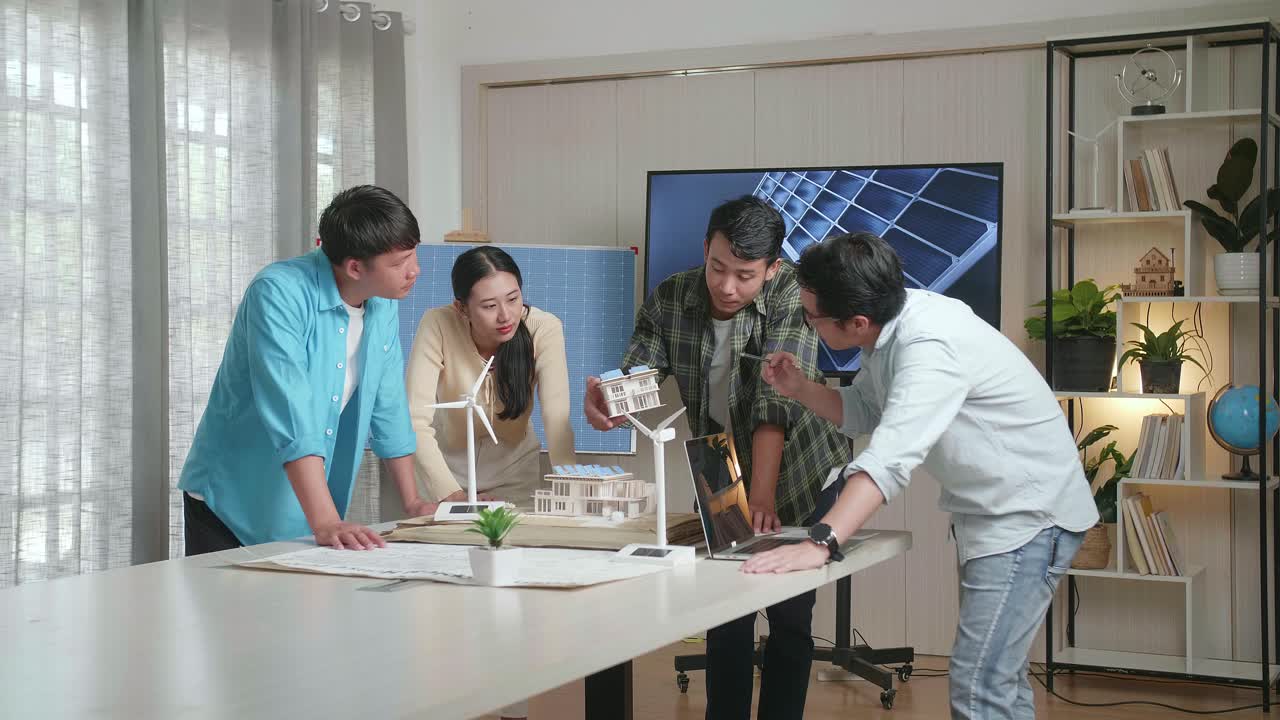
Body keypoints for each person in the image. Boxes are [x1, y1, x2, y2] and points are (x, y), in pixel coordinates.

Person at [743, 232, 1099, 720]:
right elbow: (865, 410)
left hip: (1027, 519)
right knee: (999, 679)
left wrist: (819, 542)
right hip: (997, 517)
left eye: (812, 316)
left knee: (978, 687)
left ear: (856, 321)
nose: (807, 322)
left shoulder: (928, 346)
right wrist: (799, 386)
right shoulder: (892, 327)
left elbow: (888, 459)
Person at [585, 196, 851, 720]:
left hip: (798, 467)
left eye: (746, 275)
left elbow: (775, 408)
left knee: (790, 613)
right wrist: (611, 401)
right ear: (705, 249)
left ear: (773, 268)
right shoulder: (671, 297)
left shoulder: (794, 296)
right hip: (719, 462)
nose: (728, 287)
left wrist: (764, 497)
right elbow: (640, 371)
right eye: (718, 268)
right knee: (725, 609)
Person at [178, 185, 436, 555]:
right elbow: (291, 410)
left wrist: (412, 503)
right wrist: (326, 520)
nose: (415, 271)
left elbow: (389, 404)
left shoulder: (382, 305)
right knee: (232, 613)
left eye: (414, 255)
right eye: (399, 263)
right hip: (234, 501)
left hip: (304, 506)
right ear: (355, 267)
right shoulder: (278, 293)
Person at [406, 246, 577, 511]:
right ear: (462, 308)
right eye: (489, 306)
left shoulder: (544, 328)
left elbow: (556, 416)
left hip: (514, 473)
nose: (506, 315)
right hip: (445, 473)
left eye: (513, 299)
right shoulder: (437, 324)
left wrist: (573, 488)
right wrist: (451, 495)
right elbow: (415, 418)